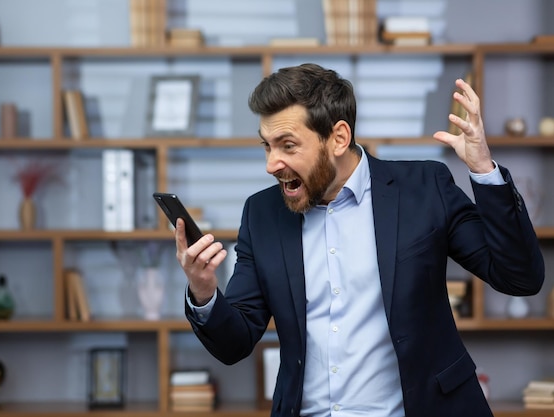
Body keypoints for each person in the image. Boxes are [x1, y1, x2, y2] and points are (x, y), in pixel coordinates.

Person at [173, 63, 544, 417]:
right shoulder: (262, 214)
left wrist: (483, 171)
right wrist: (204, 293)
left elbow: (519, 277)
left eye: (287, 145)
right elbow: (234, 343)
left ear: (338, 138)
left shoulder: (424, 188)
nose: (271, 164)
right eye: (266, 146)